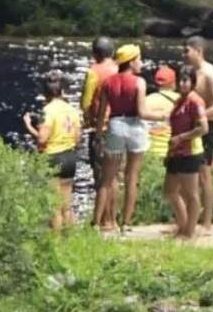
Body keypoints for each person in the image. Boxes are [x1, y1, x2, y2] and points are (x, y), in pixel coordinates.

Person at [93, 44, 166, 231]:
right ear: (131, 61)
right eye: (139, 59)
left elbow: (102, 114)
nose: (141, 63)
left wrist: (99, 136)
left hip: (115, 125)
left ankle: (96, 223)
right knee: (131, 177)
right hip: (135, 128)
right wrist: (163, 116)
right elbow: (142, 112)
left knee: (107, 178)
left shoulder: (108, 82)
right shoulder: (139, 82)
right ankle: (126, 223)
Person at [23, 71, 83, 228]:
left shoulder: (48, 111)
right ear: (62, 92)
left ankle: (56, 246)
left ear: (44, 94)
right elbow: (77, 139)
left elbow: (42, 139)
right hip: (70, 157)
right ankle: (70, 240)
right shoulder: (72, 110)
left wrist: (29, 126)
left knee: (55, 208)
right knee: (67, 207)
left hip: (53, 158)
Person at [182, 36, 213, 233]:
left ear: (198, 51)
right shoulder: (191, 73)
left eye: (186, 51)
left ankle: (207, 223)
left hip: (206, 128)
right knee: (186, 174)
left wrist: (198, 116)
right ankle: (188, 220)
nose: (183, 54)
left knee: (204, 175)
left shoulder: (210, 73)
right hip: (190, 128)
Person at [164, 66, 209, 239]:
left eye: (185, 80)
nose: (182, 84)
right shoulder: (178, 101)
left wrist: (182, 137)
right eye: (180, 80)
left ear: (192, 82)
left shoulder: (195, 101)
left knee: (191, 194)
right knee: (170, 191)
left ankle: (190, 231)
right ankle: (183, 225)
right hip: (175, 151)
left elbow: (203, 128)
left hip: (190, 152)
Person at [80, 36, 118, 228]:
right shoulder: (120, 70)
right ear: (112, 52)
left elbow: (85, 103)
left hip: (100, 128)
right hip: (119, 128)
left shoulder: (93, 72)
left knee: (101, 176)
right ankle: (113, 218)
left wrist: (87, 119)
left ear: (95, 54)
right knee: (114, 177)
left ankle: (104, 221)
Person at [145, 65, 180, 159]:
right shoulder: (180, 101)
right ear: (173, 83)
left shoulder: (146, 100)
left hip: (148, 151)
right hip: (172, 151)